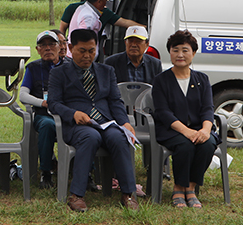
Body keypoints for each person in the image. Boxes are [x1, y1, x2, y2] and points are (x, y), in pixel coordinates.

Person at [48, 28, 140, 212]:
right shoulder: (59, 73)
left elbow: (115, 101)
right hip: (77, 125)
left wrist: (124, 122)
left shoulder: (107, 71)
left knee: (119, 137)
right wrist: (73, 114)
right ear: (70, 47)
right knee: (90, 137)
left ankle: (128, 194)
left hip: (106, 122)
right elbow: (54, 103)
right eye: (82, 51)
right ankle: (77, 195)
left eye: (92, 51)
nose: (88, 56)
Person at [152, 30, 219, 209]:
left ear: (193, 53)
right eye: (175, 50)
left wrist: (205, 130)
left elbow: (207, 108)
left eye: (185, 50)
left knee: (208, 144)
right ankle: (178, 188)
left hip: (199, 128)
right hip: (171, 130)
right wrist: (186, 131)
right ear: (170, 52)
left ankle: (190, 188)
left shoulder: (202, 79)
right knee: (185, 144)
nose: (180, 55)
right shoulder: (161, 80)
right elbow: (163, 112)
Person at [18, 30, 63, 189]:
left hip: (67, 113)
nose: (48, 48)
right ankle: (46, 172)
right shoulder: (33, 68)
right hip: (44, 114)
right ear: (37, 49)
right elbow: (23, 95)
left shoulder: (70, 66)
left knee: (83, 125)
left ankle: (87, 173)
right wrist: (42, 103)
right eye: (43, 45)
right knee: (47, 126)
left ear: (59, 47)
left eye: (51, 44)